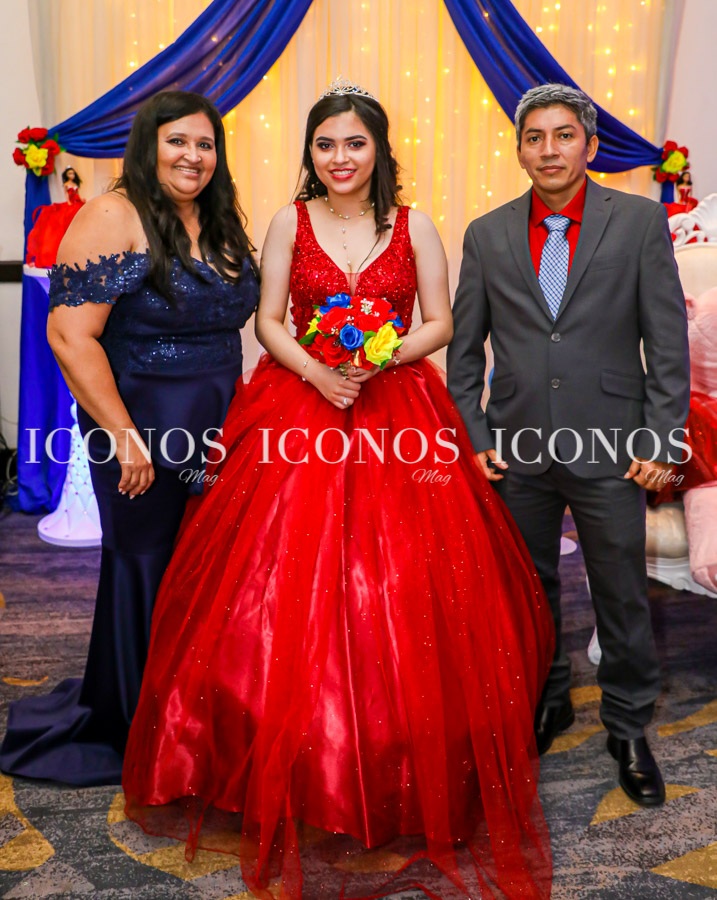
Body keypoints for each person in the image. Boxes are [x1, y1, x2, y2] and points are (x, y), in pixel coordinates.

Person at [121, 79, 555, 900]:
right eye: (325, 145)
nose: (340, 158)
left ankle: (399, 755)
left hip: (396, 407)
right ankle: (283, 760)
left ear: (379, 151)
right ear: (310, 154)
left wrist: (383, 354)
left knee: (404, 582)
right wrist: (321, 370)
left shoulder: (414, 225)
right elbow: (270, 321)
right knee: (277, 575)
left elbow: (441, 323)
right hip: (302, 404)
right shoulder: (289, 221)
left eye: (354, 144)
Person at [0, 91, 259, 786]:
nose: (192, 157)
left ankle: (195, 710)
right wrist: (125, 439)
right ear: (147, 145)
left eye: (205, 145)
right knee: (146, 563)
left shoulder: (217, 218)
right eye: (177, 142)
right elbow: (70, 335)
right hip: (140, 428)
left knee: (205, 568)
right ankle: (141, 718)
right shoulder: (114, 214)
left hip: (214, 426)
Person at [447, 84, 690, 808]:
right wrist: (475, 436)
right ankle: (546, 700)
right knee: (526, 590)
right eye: (533, 138)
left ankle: (626, 726)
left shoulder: (640, 222)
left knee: (618, 591)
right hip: (515, 448)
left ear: (587, 144)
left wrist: (662, 439)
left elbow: (666, 344)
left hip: (614, 446)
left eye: (562, 136)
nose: (547, 150)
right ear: (518, 147)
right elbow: (465, 355)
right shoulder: (486, 234)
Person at [25, 166, 86, 267]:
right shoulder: (67, 184)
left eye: (73, 173)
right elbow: (67, 195)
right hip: (71, 204)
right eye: (70, 173)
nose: (72, 175)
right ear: (66, 175)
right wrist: (69, 203)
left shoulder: (75, 184)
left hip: (77, 203)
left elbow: (77, 194)